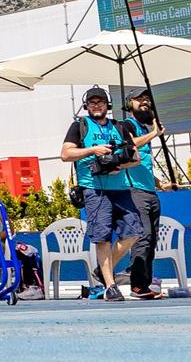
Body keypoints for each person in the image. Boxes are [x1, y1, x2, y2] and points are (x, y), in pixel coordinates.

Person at [60, 86, 142, 300]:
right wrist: (93, 151)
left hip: (120, 188)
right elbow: (66, 154)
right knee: (102, 237)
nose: (97, 106)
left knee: (133, 232)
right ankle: (110, 285)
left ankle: (103, 270)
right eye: (93, 103)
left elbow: (136, 158)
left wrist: (118, 165)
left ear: (108, 106)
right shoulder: (80, 126)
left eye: (101, 102)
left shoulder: (119, 127)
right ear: (87, 106)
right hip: (94, 189)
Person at [122, 92, 166, 299]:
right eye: (140, 99)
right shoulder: (127, 125)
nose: (145, 102)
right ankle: (137, 285)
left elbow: (145, 163)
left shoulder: (144, 128)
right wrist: (154, 133)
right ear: (129, 104)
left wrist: (161, 183)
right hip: (135, 191)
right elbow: (130, 145)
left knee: (151, 240)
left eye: (148, 99)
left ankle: (144, 283)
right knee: (143, 237)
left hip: (150, 191)